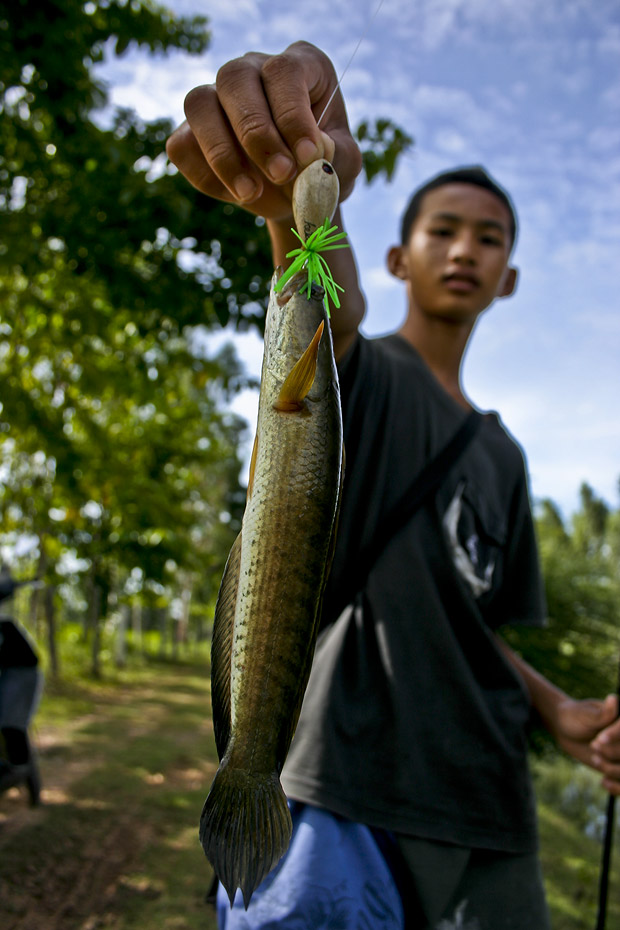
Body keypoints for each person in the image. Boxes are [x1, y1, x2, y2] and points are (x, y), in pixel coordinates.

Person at [167, 42, 620, 929]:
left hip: (492, 812)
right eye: (442, 230)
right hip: (347, 786)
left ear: (511, 277)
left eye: (489, 238)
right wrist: (295, 206)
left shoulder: (506, 456)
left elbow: (472, 628)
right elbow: (326, 313)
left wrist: (557, 709)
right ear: (398, 258)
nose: (465, 250)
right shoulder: (358, 372)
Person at [0, 567, 43, 806]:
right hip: (9, 672)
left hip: (22, 673)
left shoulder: (6, 628)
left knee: (11, 725)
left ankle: (21, 775)